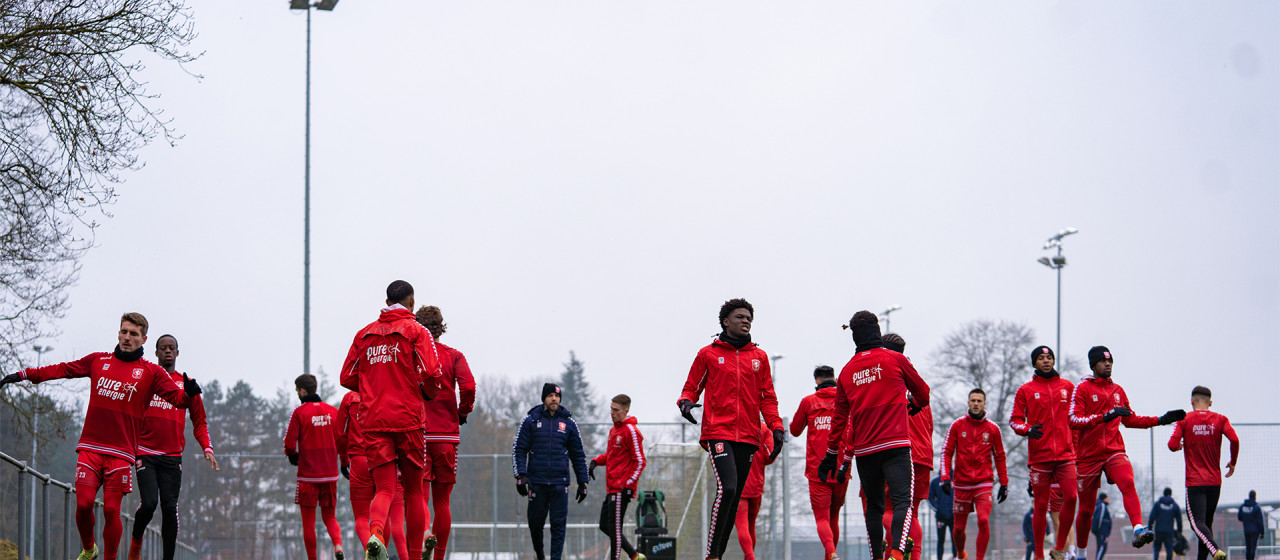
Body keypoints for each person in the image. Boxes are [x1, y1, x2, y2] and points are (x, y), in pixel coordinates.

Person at [0, 312, 201, 560]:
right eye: (124, 331)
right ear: (118, 332)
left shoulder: (151, 373)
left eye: (134, 334)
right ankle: (89, 549)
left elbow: (178, 399)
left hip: (121, 453)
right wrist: (26, 374)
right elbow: (63, 369)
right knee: (83, 503)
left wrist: (189, 395)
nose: (127, 337)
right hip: (90, 448)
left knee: (111, 511)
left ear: (144, 339)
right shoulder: (98, 361)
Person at [339, 280, 443, 560]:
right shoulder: (416, 331)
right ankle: (413, 555)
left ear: (387, 303)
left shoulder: (364, 334)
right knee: (412, 491)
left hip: (373, 422)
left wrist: (375, 386)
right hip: (408, 421)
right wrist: (424, 392)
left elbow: (346, 376)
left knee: (384, 489)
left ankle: (375, 535)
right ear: (411, 303)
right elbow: (433, 374)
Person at [677, 298, 785, 560]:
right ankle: (711, 555)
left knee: (734, 499)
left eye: (749, 317)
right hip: (718, 432)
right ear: (726, 321)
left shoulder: (759, 357)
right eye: (740, 316)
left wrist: (777, 427)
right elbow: (691, 386)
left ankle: (718, 555)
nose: (745, 320)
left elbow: (767, 398)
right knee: (729, 488)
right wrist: (685, 403)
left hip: (749, 435)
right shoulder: (708, 354)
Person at [819, 310, 929, 560]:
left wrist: (832, 455)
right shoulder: (895, 360)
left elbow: (839, 419)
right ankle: (897, 555)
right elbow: (924, 393)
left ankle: (877, 558)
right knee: (903, 502)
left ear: (855, 337)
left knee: (874, 508)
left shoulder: (846, 372)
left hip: (865, 451)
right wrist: (913, 404)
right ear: (877, 331)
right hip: (896, 445)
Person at [1069, 346, 1185, 556]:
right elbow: (1074, 420)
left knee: (1128, 482)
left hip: (1114, 450)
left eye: (1110, 361)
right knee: (1086, 510)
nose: (1108, 364)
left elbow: (1131, 420)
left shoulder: (1118, 391)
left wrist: (1161, 420)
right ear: (1093, 365)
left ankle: (1138, 529)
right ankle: (1081, 554)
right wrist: (1104, 416)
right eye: (1103, 361)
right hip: (1088, 456)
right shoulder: (1082, 389)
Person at [128, 335, 219, 560]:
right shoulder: (146, 380)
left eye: (172, 348)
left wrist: (207, 447)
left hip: (172, 457)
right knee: (149, 504)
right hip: (145, 454)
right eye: (163, 348)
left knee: (169, 509)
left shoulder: (186, 386)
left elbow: (200, 422)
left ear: (178, 352)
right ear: (156, 352)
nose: (167, 351)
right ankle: (135, 544)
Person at [415, 305, 477, 560]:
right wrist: (462, 412)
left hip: (418, 433)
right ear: (441, 327)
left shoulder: (413, 355)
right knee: (443, 501)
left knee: (419, 496)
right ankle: (439, 556)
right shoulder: (454, 356)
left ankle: (425, 533)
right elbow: (469, 386)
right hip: (446, 435)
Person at [1010, 346, 1077, 560]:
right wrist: (1027, 429)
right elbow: (1015, 421)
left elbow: (1076, 421)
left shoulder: (1068, 386)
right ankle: (1039, 555)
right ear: (1034, 363)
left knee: (1072, 497)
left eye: (1049, 358)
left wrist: (1075, 449)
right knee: (1040, 507)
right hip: (1040, 458)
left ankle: (1059, 547)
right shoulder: (1025, 390)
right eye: (1041, 358)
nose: (1046, 361)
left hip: (1066, 456)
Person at [512, 383, 591, 560]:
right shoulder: (531, 420)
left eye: (556, 396)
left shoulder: (569, 423)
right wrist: (521, 476)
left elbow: (578, 454)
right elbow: (519, 449)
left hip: (559, 483)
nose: (554, 399)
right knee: (535, 524)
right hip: (536, 483)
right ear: (544, 399)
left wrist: (582, 481)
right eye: (550, 396)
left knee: (558, 525)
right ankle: (540, 555)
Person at [1168, 385, 1239, 560]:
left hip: (1195, 483)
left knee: (1196, 525)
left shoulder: (1184, 419)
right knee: (1206, 525)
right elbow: (1234, 439)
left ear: (1191, 401)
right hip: (1214, 482)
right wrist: (1232, 462)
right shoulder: (1221, 419)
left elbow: (1171, 445)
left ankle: (1214, 550)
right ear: (1210, 403)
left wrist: (1178, 446)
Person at [940, 388, 1009, 560]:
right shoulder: (957, 425)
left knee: (983, 520)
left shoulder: (993, 429)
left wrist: (1004, 483)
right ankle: (960, 554)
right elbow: (946, 451)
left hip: (983, 483)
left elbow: (1000, 456)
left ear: (985, 403)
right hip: (962, 483)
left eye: (979, 401)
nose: (976, 404)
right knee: (958, 529)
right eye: (973, 400)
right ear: (968, 403)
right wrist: (945, 477)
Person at [793, 365, 850, 560]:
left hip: (817, 469)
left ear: (817, 381)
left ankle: (831, 552)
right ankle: (831, 554)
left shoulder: (809, 402)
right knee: (834, 515)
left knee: (822, 517)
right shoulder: (846, 401)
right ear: (834, 379)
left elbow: (794, 430)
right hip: (842, 466)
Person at [883, 333, 932, 560]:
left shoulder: (888, 377)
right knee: (911, 515)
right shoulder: (916, 380)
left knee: (889, 511)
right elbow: (929, 425)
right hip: (923, 456)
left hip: (900, 454)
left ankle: (898, 551)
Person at [284, 374, 344, 560]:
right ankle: (338, 545)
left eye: (296, 391)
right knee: (330, 518)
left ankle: (312, 558)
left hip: (308, 477)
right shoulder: (333, 412)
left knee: (308, 523)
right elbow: (342, 440)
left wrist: (293, 457)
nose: (297, 394)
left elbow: (289, 444)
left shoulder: (299, 413)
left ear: (303, 391)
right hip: (330, 475)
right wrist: (344, 463)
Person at [590, 394, 647, 560]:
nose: (612, 413)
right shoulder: (614, 430)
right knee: (604, 525)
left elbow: (640, 462)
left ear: (626, 410)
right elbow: (612, 456)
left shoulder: (631, 431)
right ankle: (634, 555)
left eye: (616, 410)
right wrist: (596, 461)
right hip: (612, 488)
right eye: (611, 409)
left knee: (614, 529)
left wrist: (628, 484)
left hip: (621, 489)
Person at [735, 420, 776, 560]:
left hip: (737, 484)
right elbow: (770, 455)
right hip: (755, 485)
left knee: (742, 526)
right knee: (751, 525)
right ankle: (750, 557)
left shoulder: (733, 424)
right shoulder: (763, 428)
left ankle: (750, 557)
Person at [1148, 488, 1182, 560]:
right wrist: (1179, 531)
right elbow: (1179, 519)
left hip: (1159, 530)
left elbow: (1152, 517)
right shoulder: (1175, 506)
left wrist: (1150, 528)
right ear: (1171, 494)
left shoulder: (1157, 504)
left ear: (1164, 493)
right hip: (1169, 531)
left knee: (1156, 548)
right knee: (1169, 549)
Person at [929, 476, 957, 560]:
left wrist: (958, 509)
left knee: (955, 540)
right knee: (940, 540)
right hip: (941, 517)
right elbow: (930, 498)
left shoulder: (956, 479)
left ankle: (957, 558)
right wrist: (938, 509)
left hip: (954, 517)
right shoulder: (935, 482)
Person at [1239, 490, 1263, 560]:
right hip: (1255, 531)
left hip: (1246, 530)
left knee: (1248, 547)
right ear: (1255, 497)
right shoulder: (1256, 507)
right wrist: (1262, 532)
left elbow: (1240, 517)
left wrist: (1246, 520)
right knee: (1253, 547)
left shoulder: (1243, 506)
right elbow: (1260, 520)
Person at [1091, 493, 1113, 560]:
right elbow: (1099, 518)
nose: (1109, 499)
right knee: (1101, 547)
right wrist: (1098, 530)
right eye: (1107, 498)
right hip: (1102, 531)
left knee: (1102, 547)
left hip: (1103, 532)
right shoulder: (1102, 506)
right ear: (1104, 498)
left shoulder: (1102, 506)